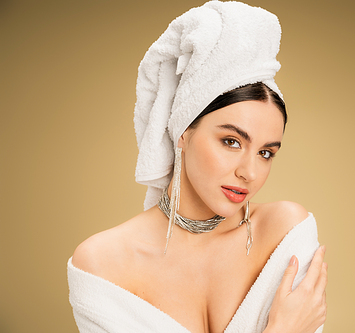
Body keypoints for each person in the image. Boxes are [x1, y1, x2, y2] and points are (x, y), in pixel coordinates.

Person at [68, 1, 327, 332]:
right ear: (183, 133)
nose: (249, 172)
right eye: (231, 141)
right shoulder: (103, 263)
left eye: (265, 153)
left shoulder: (284, 231)